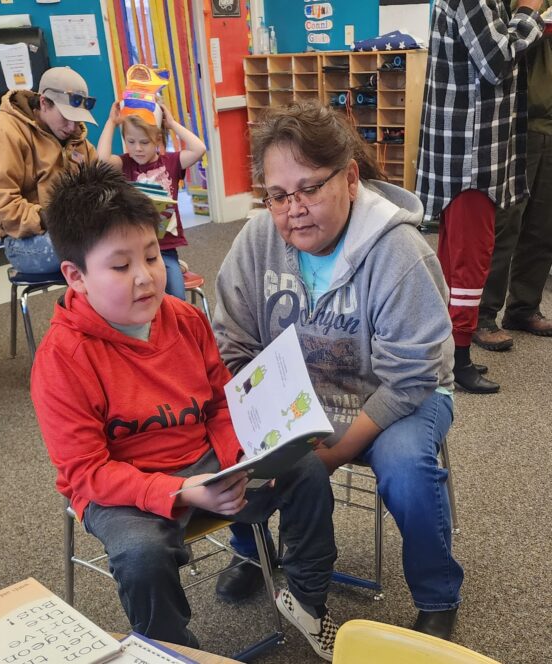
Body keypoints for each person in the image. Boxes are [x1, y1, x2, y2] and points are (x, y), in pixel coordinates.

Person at [30, 161, 339, 661]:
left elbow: (219, 402)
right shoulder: (62, 359)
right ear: (76, 276)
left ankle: (306, 598)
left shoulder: (186, 319)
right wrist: (180, 490)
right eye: (120, 265)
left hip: (205, 461)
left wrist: (239, 460)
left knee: (305, 468)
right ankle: (173, 652)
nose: (146, 278)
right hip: (121, 486)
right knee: (142, 556)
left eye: (152, 257)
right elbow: (87, 472)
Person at [212, 101, 463, 641]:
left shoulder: (399, 252)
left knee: (406, 467)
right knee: (230, 440)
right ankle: (252, 553)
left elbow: (411, 377)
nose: (293, 208)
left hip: (399, 396)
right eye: (278, 195)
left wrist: (328, 456)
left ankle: (437, 592)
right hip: (300, 396)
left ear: (350, 178)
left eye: (309, 188)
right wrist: (264, 420)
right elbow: (232, 342)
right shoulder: (258, 241)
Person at [415, 0, 544, 394]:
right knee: (470, 263)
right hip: (470, 157)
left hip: (470, 153)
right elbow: (496, 61)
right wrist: (528, 11)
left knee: (455, 263)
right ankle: (459, 359)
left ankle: (445, 354)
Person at [474, 1, 552, 350]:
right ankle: (482, 314)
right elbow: (500, 50)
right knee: (506, 221)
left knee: (543, 224)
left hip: (549, 123)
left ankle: (523, 307)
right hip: (517, 121)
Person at [0, 66, 97, 274]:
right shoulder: (3, 130)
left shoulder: (76, 139)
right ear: (44, 103)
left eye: (77, 120)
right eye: (66, 117)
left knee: (126, 240)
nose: (71, 127)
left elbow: (98, 183)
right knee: (98, 253)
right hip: (24, 240)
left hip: (73, 231)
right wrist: (50, 217)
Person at [97, 100, 206, 299]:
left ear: (157, 140)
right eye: (131, 142)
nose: (137, 148)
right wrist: (111, 123)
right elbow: (102, 161)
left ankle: (174, 269)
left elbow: (199, 149)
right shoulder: (125, 164)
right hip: (134, 250)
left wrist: (171, 124)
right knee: (137, 297)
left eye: (144, 142)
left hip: (164, 248)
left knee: (176, 297)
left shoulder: (171, 162)